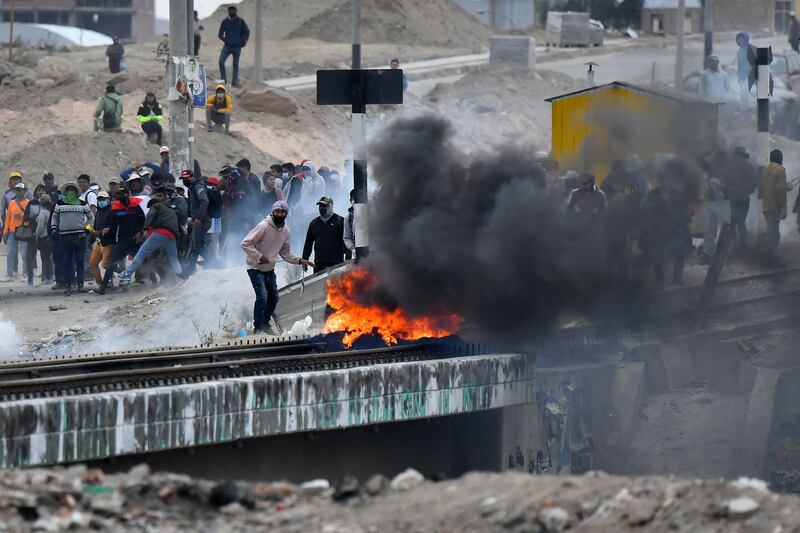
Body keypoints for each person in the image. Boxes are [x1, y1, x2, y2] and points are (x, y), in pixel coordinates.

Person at [240, 201, 313, 334]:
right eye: (277, 211)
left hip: (269, 269)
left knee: (274, 297)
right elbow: (245, 243)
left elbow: (285, 254)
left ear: (286, 214)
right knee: (262, 297)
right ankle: (258, 327)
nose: (279, 214)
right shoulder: (263, 227)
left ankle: (265, 322)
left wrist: (300, 260)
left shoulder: (286, 232)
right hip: (255, 268)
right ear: (273, 212)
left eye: (282, 212)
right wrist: (259, 256)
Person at [117, 187, 182, 283]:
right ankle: (179, 278)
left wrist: (144, 229)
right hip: (172, 235)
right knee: (174, 258)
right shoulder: (169, 210)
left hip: (161, 232)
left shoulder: (156, 206)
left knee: (143, 251)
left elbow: (150, 216)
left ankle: (127, 274)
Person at [97, 186, 145, 295]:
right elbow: (112, 225)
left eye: (123, 194)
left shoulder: (136, 206)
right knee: (111, 263)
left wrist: (140, 232)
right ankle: (103, 287)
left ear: (128, 194)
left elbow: (143, 221)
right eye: (118, 194)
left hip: (136, 239)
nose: (120, 196)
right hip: (122, 240)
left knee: (145, 259)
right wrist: (107, 229)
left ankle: (153, 281)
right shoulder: (116, 208)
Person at [51, 182, 94, 293]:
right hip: (65, 237)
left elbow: (91, 217)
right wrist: (54, 229)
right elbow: (54, 218)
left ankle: (80, 285)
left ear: (76, 192)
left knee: (80, 261)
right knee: (67, 261)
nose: (70, 191)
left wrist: (88, 229)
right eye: (69, 190)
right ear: (66, 192)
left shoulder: (82, 203)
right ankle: (68, 285)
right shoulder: (59, 204)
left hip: (80, 236)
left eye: (73, 190)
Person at [181, 170, 215, 277]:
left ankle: (216, 263)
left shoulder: (198, 186)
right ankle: (189, 270)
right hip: (199, 220)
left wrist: (199, 218)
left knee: (198, 246)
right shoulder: (193, 187)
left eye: (187, 178)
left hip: (202, 221)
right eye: (183, 178)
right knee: (193, 246)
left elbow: (204, 200)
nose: (185, 180)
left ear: (192, 177)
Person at [725, 146, 758, 255]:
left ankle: (738, 247)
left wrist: (742, 188)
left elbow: (754, 183)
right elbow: (754, 183)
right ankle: (739, 247)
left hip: (737, 198)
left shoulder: (734, 166)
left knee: (736, 223)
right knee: (738, 223)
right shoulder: (747, 167)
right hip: (739, 198)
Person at [302, 196, 347, 273]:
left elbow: (346, 239)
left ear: (331, 206)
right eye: (320, 206)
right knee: (319, 284)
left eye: (325, 205)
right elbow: (308, 244)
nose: (322, 208)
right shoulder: (313, 223)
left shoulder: (341, 221)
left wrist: (348, 257)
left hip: (337, 262)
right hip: (319, 263)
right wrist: (305, 260)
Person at [760, 149, 788, 261]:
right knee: (775, 236)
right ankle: (767, 258)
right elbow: (780, 190)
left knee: (771, 232)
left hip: (766, 206)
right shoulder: (780, 170)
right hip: (775, 207)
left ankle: (767, 257)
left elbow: (767, 187)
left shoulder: (766, 170)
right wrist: (783, 207)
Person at [3, 182, 30, 281]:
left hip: (24, 230)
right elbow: (8, 218)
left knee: (24, 253)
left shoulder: (28, 202)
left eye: (21, 190)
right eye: (17, 190)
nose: (19, 192)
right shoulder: (12, 203)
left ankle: (26, 274)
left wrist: (23, 217)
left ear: (24, 191)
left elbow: (31, 217)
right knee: (10, 253)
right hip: (12, 231)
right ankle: (9, 274)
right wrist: (5, 232)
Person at [218, 5, 250, 87]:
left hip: (237, 47)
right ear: (228, 11)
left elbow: (247, 31)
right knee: (221, 61)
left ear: (236, 11)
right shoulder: (225, 22)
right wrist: (226, 40)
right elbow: (220, 34)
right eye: (231, 10)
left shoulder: (240, 21)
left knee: (235, 64)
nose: (232, 12)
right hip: (227, 46)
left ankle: (234, 82)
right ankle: (223, 80)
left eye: (234, 10)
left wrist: (243, 41)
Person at [88, 191, 114, 286]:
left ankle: (120, 273)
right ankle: (101, 283)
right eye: (99, 199)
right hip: (99, 243)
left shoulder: (112, 212)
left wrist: (101, 231)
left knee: (105, 264)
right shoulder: (98, 212)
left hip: (109, 242)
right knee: (92, 263)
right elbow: (95, 227)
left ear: (108, 199)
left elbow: (112, 227)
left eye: (103, 199)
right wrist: (91, 241)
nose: (101, 201)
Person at [22, 184, 46, 287]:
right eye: (39, 190)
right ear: (35, 192)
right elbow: (25, 217)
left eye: (43, 190)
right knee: (30, 257)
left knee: (45, 257)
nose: (40, 192)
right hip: (32, 233)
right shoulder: (31, 203)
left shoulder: (48, 204)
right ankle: (30, 279)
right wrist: (30, 216)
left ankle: (46, 278)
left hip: (44, 234)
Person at [35, 194, 54, 284]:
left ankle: (47, 277)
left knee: (45, 258)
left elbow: (40, 227)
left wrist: (36, 236)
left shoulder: (43, 213)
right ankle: (50, 276)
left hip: (43, 238)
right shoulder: (51, 211)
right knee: (49, 258)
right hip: (50, 237)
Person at [735, 32, 756, 106]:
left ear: (746, 39)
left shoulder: (753, 48)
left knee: (752, 96)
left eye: (741, 39)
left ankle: (752, 110)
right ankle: (745, 111)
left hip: (752, 77)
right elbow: (740, 65)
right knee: (743, 96)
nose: (739, 41)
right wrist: (739, 76)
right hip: (743, 77)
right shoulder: (739, 51)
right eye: (738, 39)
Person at [343, 189, 356, 253]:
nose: (356, 201)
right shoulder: (348, 217)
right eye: (354, 198)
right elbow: (347, 238)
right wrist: (352, 248)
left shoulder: (373, 211)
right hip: (359, 251)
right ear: (350, 201)